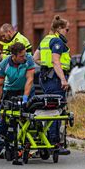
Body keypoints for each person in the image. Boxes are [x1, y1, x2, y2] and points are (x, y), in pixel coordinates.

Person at [33, 15, 71, 155]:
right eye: (67, 29)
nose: (68, 32)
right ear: (59, 29)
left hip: (45, 78)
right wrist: (62, 79)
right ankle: (54, 143)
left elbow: (35, 58)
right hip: (54, 79)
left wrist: (45, 65)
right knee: (55, 111)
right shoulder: (57, 41)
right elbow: (56, 61)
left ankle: (48, 141)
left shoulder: (44, 40)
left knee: (49, 109)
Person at [0, 42, 35, 159]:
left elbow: (29, 79)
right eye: (21, 56)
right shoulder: (4, 64)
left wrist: (25, 98)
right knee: (5, 120)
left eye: (25, 55)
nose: (24, 57)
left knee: (28, 119)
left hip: (26, 90)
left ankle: (28, 146)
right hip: (10, 91)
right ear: (13, 56)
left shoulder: (29, 60)